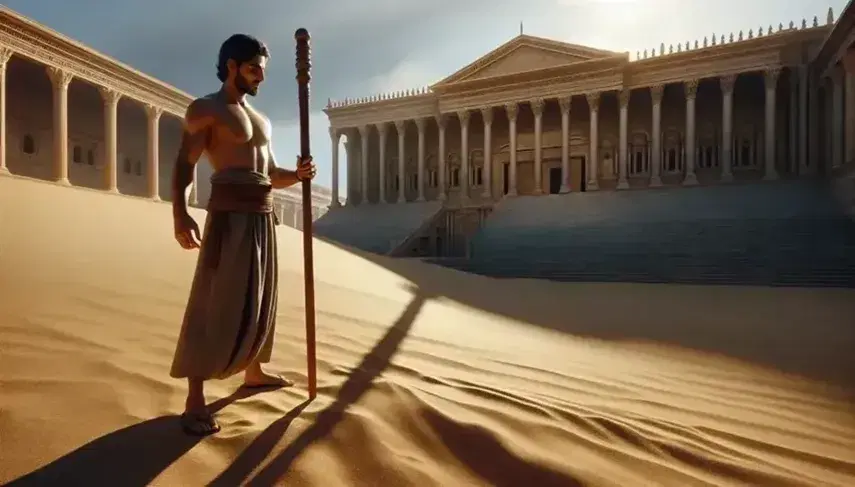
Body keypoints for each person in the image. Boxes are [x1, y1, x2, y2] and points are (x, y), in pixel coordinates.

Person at [169, 33, 316, 435]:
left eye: (263, 71)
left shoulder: (262, 120)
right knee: (214, 301)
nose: (260, 78)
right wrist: (180, 211)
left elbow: (270, 174)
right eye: (253, 70)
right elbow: (185, 164)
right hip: (229, 216)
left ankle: (254, 370)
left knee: (261, 297)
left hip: (262, 217)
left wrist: (298, 175)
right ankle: (195, 399)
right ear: (231, 66)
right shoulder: (205, 110)